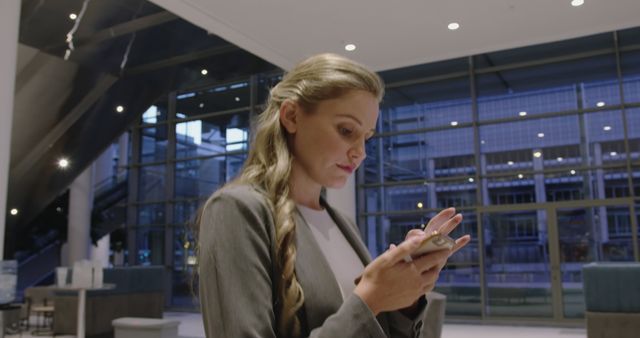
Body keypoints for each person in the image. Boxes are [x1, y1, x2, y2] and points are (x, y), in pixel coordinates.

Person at [197, 53, 471, 338]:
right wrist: (370, 300)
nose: (360, 152)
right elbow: (360, 311)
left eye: (366, 137)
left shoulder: (342, 223)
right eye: (346, 130)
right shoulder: (236, 209)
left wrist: (404, 297)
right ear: (292, 116)